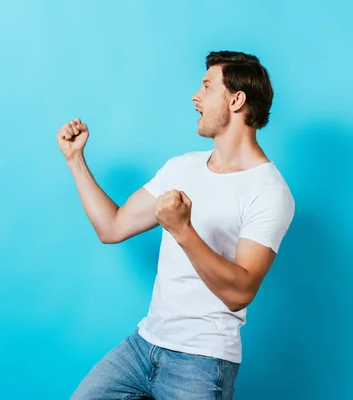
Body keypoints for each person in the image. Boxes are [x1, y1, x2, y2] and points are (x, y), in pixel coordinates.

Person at [57, 51, 295, 399]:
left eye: (207, 86)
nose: (194, 96)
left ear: (236, 99)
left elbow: (239, 293)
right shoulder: (181, 167)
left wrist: (182, 230)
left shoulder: (269, 192)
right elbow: (112, 227)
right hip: (143, 346)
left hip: (202, 362)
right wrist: (75, 159)